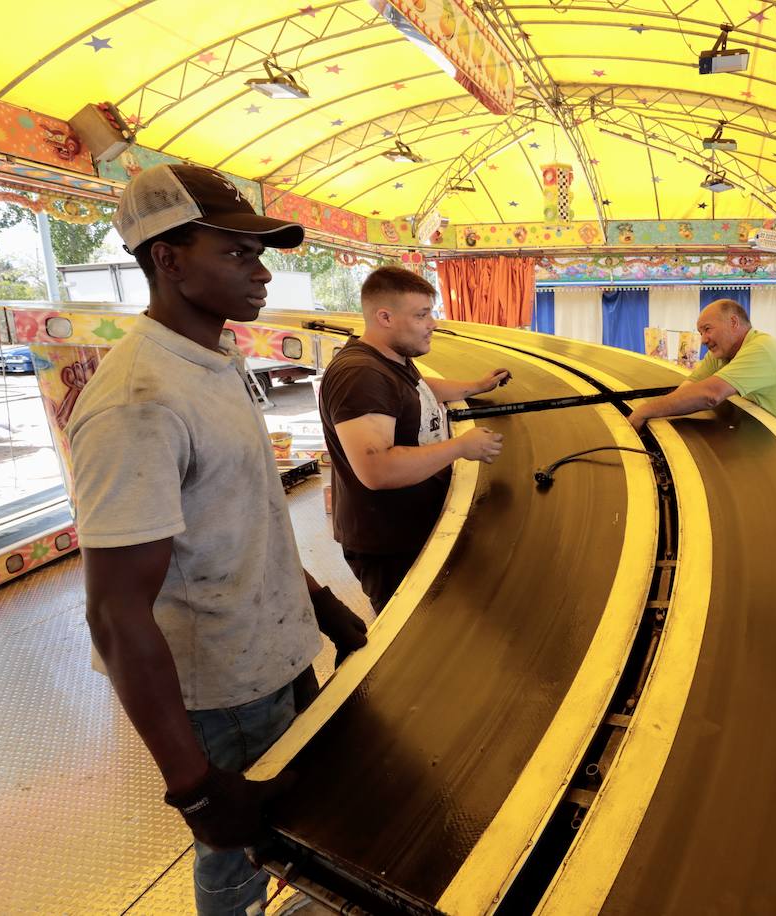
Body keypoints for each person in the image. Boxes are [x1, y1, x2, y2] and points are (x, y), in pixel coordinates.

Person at [68, 163, 365, 916]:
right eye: (235, 253)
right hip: (223, 691)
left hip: (275, 652)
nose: (261, 273)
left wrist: (321, 612)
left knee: (293, 824)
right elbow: (115, 615)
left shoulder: (215, 359)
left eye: (258, 253)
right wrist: (195, 791)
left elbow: (241, 519)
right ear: (167, 259)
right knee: (235, 855)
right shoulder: (139, 400)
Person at [319, 265, 507, 613]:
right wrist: (461, 447)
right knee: (417, 629)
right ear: (385, 317)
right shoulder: (360, 375)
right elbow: (377, 469)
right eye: (422, 315)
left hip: (407, 527)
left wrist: (474, 387)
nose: (432, 323)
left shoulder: (390, 359)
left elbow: (414, 391)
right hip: (390, 543)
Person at [626, 298, 776, 449]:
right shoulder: (721, 354)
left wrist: (644, 412)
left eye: (707, 329)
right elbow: (687, 391)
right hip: (773, 446)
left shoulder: (763, 348)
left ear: (733, 322)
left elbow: (709, 395)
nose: (703, 340)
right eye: (701, 332)